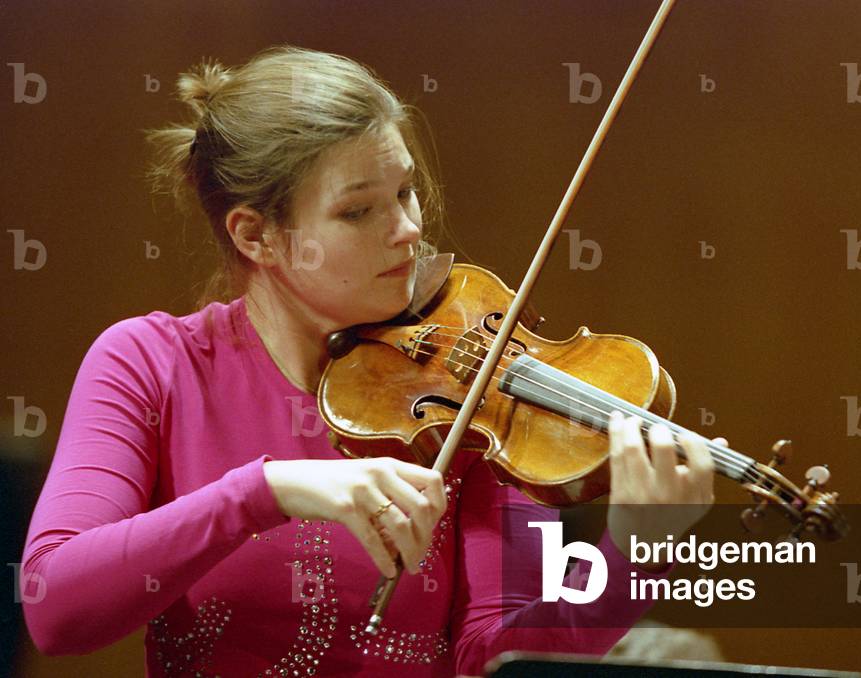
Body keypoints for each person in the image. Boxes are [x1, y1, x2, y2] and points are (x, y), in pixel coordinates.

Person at [19, 46, 724, 677]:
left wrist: (633, 555)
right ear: (257, 235)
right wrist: (265, 492)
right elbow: (56, 609)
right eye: (359, 212)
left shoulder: (470, 397)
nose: (409, 228)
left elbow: (495, 661)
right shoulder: (152, 364)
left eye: (406, 192)